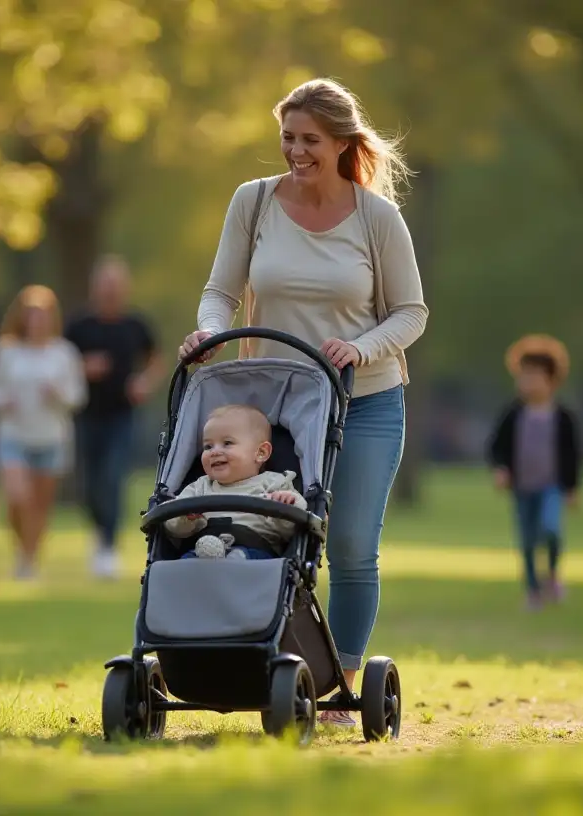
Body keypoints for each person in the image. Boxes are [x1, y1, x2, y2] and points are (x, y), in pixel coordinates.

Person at [178, 78, 428, 727]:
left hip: (363, 401)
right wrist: (208, 331)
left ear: (342, 143)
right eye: (287, 137)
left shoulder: (377, 218)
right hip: (271, 405)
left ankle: (341, 683)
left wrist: (363, 348)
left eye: (309, 140)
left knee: (347, 544)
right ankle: (261, 658)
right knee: (271, 535)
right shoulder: (253, 202)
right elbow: (219, 290)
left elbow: (410, 312)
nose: (295, 151)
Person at [0, 285, 88, 580]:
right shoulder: (6, 350)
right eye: (31, 315)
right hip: (12, 433)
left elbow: (78, 396)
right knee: (18, 498)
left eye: (42, 315)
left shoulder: (63, 353)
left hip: (51, 437)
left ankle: (29, 559)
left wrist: (57, 394)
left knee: (40, 505)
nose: (36, 321)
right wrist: (2, 400)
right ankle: (22, 550)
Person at [64, 256, 161, 579]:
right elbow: (56, 361)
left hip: (123, 416)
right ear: (94, 288)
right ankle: (99, 531)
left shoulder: (136, 325)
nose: (110, 291)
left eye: (116, 285)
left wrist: (144, 381)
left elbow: (156, 359)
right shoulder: (78, 326)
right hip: (85, 414)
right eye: (105, 285)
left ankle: (107, 545)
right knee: (90, 483)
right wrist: (82, 367)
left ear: (125, 289)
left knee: (113, 476)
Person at [487, 334, 582, 611]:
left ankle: (552, 575)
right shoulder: (513, 414)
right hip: (523, 487)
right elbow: (496, 446)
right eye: (523, 376)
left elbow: (573, 454)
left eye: (534, 376)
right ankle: (532, 591)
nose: (527, 383)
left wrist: (573, 488)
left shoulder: (562, 417)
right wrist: (501, 469)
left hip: (551, 485)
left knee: (550, 529)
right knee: (527, 539)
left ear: (552, 379)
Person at [164, 404, 306, 560]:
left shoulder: (274, 483)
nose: (215, 452)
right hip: (202, 551)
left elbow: (292, 526)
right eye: (208, 446)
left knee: (246, 557)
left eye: (227, 443)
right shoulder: (199, 487)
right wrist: (185, 517)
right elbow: (173, 525)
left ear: (261, 453)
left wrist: (288, 503)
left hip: (256, 551)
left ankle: (235, 561)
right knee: (184, 562)